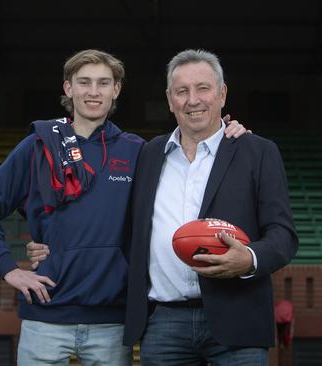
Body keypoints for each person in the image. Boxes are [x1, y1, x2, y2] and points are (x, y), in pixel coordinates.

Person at [0, 49, 247, 366]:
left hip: (113, 323)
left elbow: (191, 162)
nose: (93, 91)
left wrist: (228, 132)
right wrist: (9, 269)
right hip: (45, 316)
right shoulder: (38, 144)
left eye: (103, 83)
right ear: (68, 88)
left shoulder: (138, 151)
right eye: (83, 82)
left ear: (116, 90)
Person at [122, 49, 298, 365]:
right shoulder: (148, 154)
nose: (193, 100)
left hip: (238, 319)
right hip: (163, 323)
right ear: (169, 99)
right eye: (182, 91)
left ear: (222, 93)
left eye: (203, 88)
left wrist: (249, 259)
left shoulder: (258, 152)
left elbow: (283, 234)